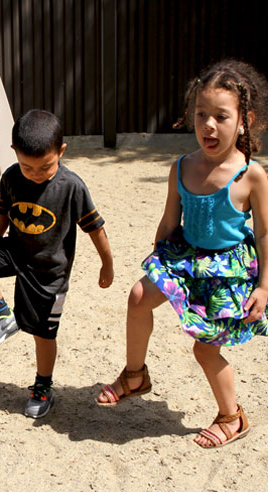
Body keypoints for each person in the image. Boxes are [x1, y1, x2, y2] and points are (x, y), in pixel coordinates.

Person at [96, 59, 268, 448]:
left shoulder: (251, 175)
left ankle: (232, 416)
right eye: (201, 114)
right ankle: (135, 375)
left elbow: (265, 233)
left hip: (227, 271)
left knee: (205, 350)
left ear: (245, 120)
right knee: (139, 296)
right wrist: (159, 260)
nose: (209, 124)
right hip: (186, 258)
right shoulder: (182, 166)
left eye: (221, 116)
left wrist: (264, 285)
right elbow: (169, 220)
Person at [0, 109, 114, 418]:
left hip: (49, 270)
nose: (35, 173)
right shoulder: (10, 177)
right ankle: (3, 316)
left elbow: (95, 227)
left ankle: (43, 386)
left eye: (45, 166)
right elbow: (4, 212)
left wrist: (106, 264)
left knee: (44, 334)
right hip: (16, 251)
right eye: (27, 166)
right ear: (14, 153)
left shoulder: (71, 186)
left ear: (61, 152)